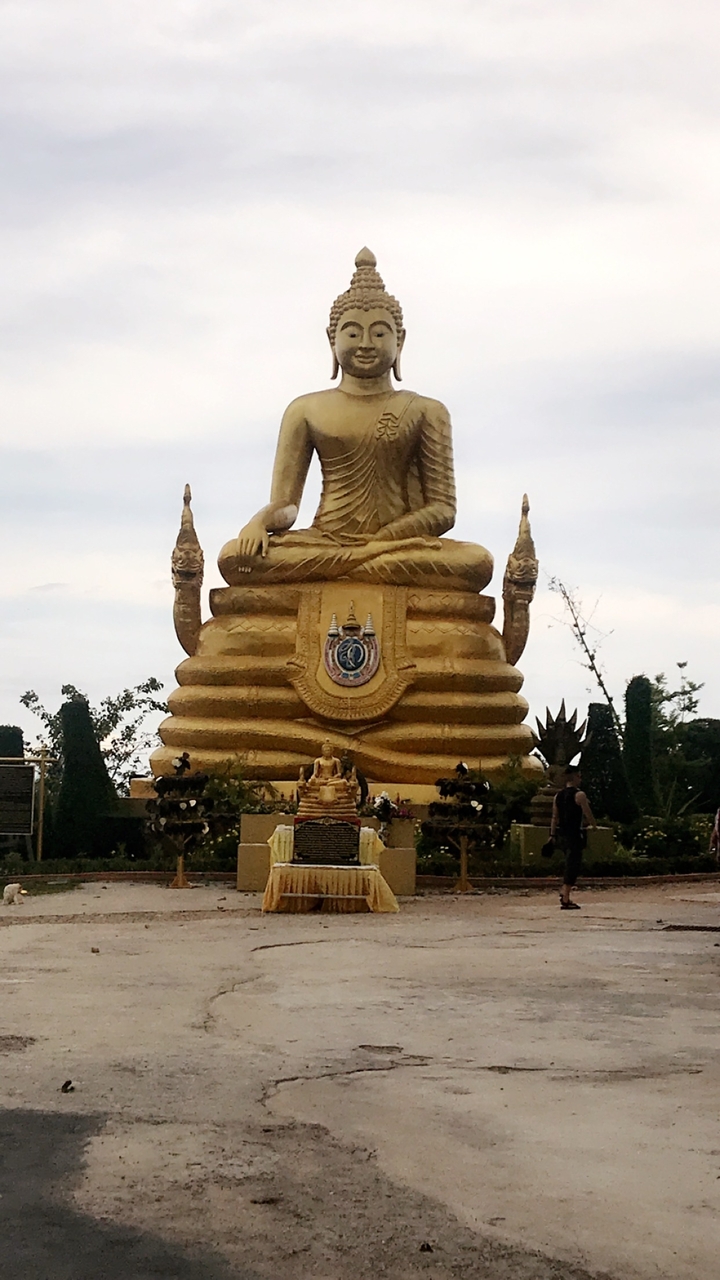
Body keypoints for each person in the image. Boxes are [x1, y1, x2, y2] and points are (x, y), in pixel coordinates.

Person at [550, 765, 597, 910]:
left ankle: (565, 892)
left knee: (569, 863)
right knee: (573, 864)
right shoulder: (579, 795)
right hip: (574, 833)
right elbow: (588, 813)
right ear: (575, 776)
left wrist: (552, 835)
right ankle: (565, 895)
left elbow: (554, 817)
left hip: (562, 833)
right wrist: (594, 826)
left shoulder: (558, 796)